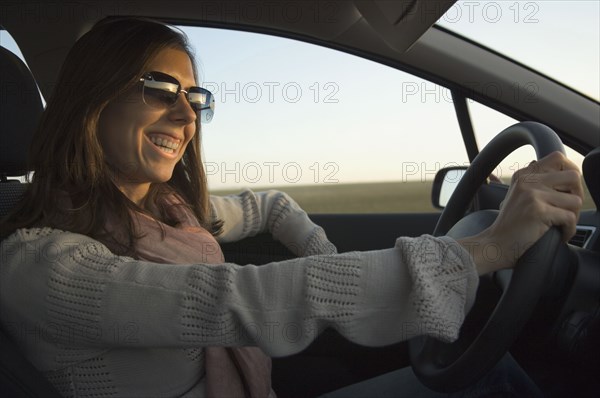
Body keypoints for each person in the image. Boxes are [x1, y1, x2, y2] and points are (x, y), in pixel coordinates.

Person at [0, 17, 583, 398]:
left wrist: (322, 251)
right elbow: (243, 300)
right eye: (159, 89)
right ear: (92, 100)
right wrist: (489, 248)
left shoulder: (168, 213)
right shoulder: (44, 267)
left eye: (193, 97)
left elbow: (269, 205)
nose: (185, 117)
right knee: (494, 383)